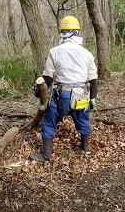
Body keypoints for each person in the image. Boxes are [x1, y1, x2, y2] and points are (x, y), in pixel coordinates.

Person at [30, 16, 98, 162]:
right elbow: (93, 79)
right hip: (81, 95)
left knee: (48, 122)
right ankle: (85, 149)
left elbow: (47, 78)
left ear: (62, 32)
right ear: (77, 33)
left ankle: (46, 155)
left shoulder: (55, 51)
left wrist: (39, 94)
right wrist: (92, 98)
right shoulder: (87, 53)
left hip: (62, 95)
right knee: (83, 121)